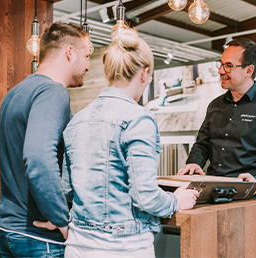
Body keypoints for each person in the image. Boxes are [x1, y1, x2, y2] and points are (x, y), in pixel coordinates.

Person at [61, 28, 199, 258]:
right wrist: (176, 200)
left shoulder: (78, 120)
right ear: (144, 74)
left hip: (77, 244)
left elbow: (67, 190)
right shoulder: (139, 118)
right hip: (123, 247)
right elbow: (144, 196)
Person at [0, 22, 92, 257]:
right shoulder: (53, 92)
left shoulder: (15, 92)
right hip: (36, 236)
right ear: (70, 52)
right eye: (87, 56)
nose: (88, 66)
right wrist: (61, 218)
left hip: (6, 228)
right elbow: (38, 157)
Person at [177, 38, 256, 198]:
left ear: (249, 70)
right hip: (212, 192)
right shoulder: (215, 105)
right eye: (221, 64)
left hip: (251, 196)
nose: (220, 71)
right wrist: (194, 162)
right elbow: (203, 144)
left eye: (229, 66)